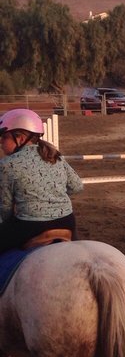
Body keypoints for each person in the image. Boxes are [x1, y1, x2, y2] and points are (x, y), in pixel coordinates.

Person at [0, 108, 83, 253]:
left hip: (30, 227)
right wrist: (52, 195)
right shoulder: (55, 156)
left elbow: (5, 209)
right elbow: (77, 186)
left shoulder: (7, 164)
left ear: (19, 137)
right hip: (67, 222)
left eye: (4, 136)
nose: (1, 141)